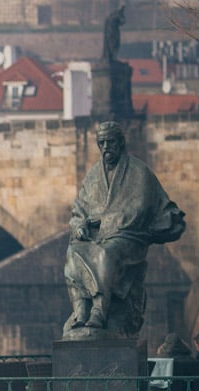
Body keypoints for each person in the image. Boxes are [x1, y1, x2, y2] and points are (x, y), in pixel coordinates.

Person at [62, 121, 186, 337]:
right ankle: (81, 309)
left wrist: (109, 221)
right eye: (101, 143)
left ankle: (100, 310)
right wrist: (80, 226)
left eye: (110, 142)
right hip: (95, 237)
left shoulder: (139, 172)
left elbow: (140, 207)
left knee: (106, 254)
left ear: (120, 143)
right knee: (72, 253)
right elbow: (78, 211)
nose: (106, 147)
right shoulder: (92, 176)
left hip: (128, 237)